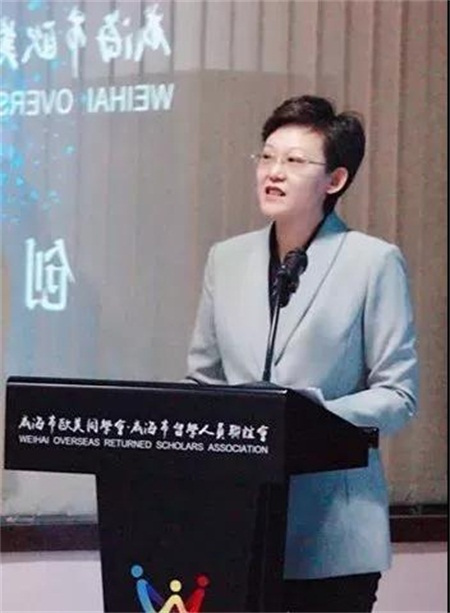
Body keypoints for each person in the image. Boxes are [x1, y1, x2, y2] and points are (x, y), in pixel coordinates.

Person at [185, 95, 418, 612]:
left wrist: (309, 416)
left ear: (334, 180)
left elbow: (398, 395)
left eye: (294, 161)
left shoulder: (372, 263)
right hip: (239, 524)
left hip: (334, 531)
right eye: (267, 157)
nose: (273, 172)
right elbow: (203, 380)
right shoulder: (226, 259)